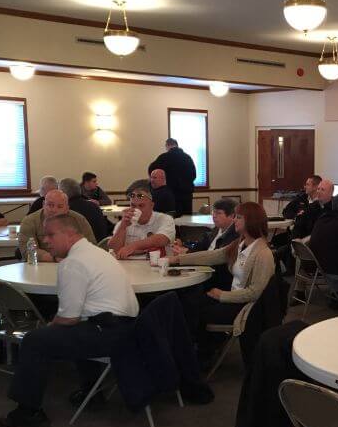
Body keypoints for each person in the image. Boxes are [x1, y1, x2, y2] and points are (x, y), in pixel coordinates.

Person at [0, 214, 139, 427]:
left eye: (51, 235)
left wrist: (49, 327)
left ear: (70, 234)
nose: (46, 240)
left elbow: (68, 318)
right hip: (127, 328)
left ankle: (28, 413)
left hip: (110, 333)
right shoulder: (97, 253)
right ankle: (92, 392)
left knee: (35, 340)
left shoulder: (73, 263)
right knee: (79, 326)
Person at [172, 202, 276, 351]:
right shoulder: (240, 243)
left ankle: (200, 351)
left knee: (194, 311)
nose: (234, 220)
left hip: (245, 306)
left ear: (251, 221)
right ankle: (195, 349)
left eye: (238, 217)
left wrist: (222, 295)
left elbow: (254, 293)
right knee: (188, 303)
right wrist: (178, 259)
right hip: (234, 298)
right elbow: (213, 255)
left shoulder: (263, 254)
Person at [19, 189, 95, 262]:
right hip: (41, 267)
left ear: (67, 208)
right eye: (50, 205)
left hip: (74, 264)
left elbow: (91, 246)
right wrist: (55, 259)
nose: (54, 210)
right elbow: (27, 251)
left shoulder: (79, 220)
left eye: (60, 206)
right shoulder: (29, 221)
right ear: (43, 205)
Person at [107, 180, 176, 259]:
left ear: (151, 205)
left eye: (141, 206)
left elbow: (162, 239)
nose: (137, 209)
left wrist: (133, 246)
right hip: (129, 264)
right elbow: (113, 249)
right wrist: (122, 227)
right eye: (133, 205)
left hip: (156, 263)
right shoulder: (124, 223)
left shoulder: (165, 219)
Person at [148, 137, 196, 216]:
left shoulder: (163, 158)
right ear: (177, 145)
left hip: (170, 194)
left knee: (171, 219)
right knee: (186, 218)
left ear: (167, 146)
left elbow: (151, 170)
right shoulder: (187, 158)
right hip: (186, 195)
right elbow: (193, 175)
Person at [59, 177, 109, 242]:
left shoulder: (68, 210)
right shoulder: (94, 205)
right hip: (101, 245)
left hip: (84, 246)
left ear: (63, 193)